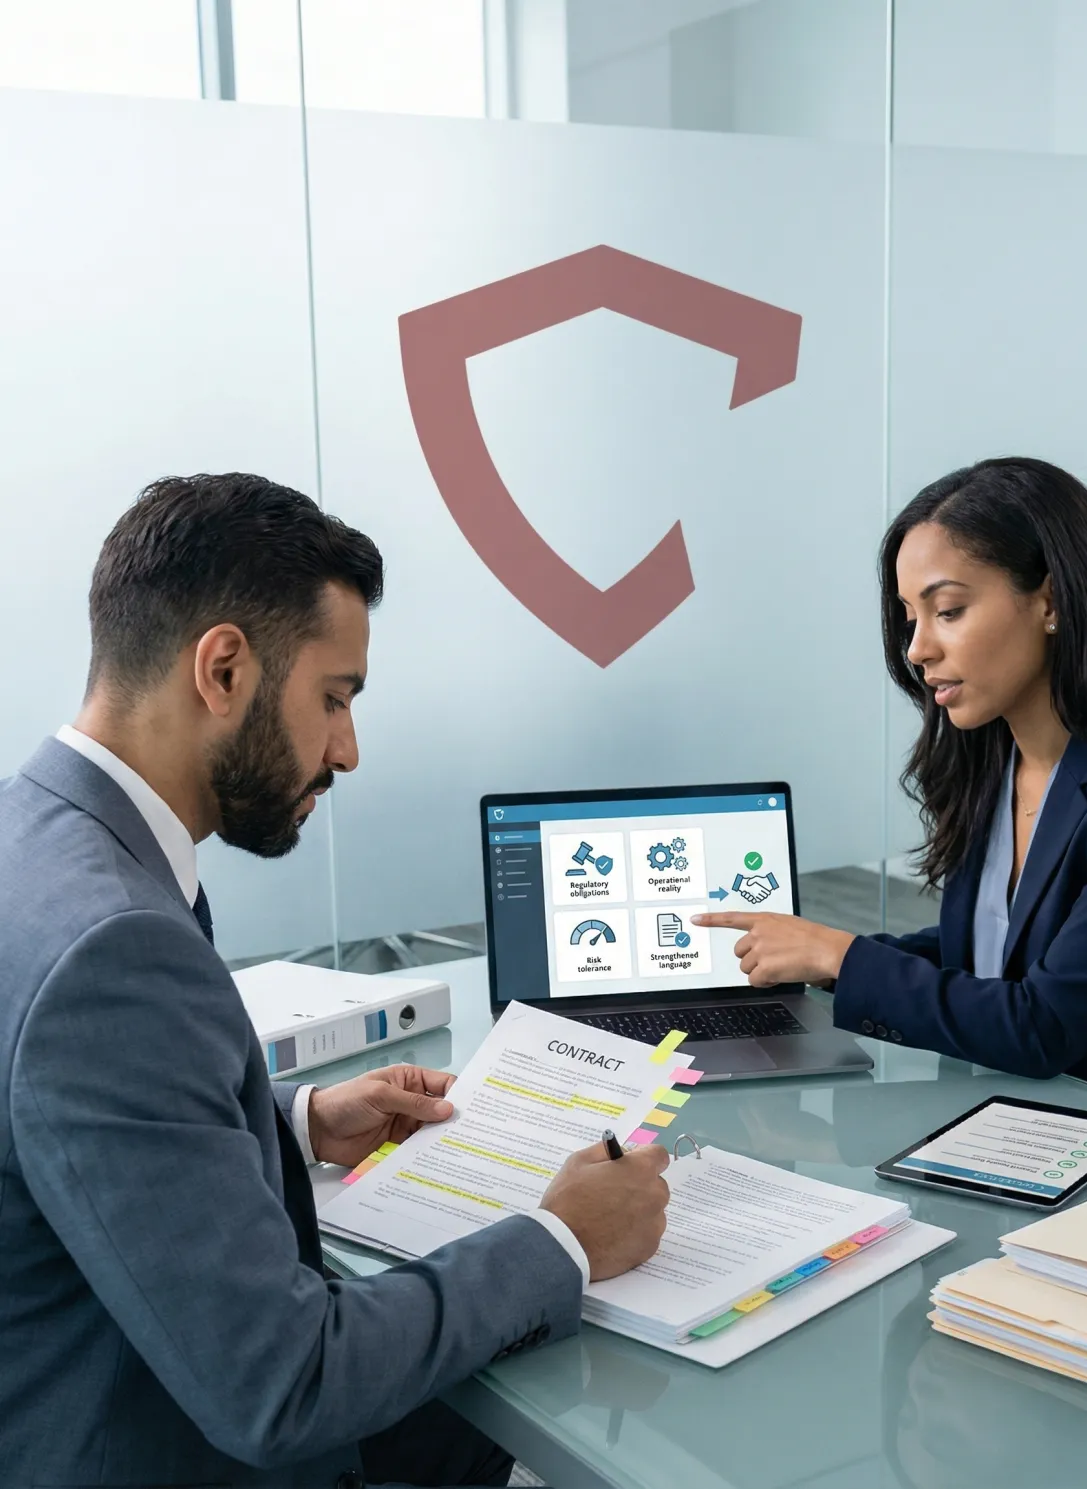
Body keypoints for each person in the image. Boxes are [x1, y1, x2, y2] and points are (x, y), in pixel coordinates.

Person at [0, 474, 671, 1489]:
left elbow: (68, 1118)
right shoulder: (115, 948)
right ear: (222, 669)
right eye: (334, 698)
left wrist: (299, 1119)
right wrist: (560, 1239)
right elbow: (284, 1383)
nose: (347, 750)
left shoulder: (39, 837)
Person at [696, 457, 1087, 1118]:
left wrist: (846, 958)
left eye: (948, 610)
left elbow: (1042, 1022)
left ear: (1050, 601)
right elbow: (997, 952)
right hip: (1003, 1124)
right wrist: (824, 957)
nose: (916, 648)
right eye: (910, 617)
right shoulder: (992, 765)